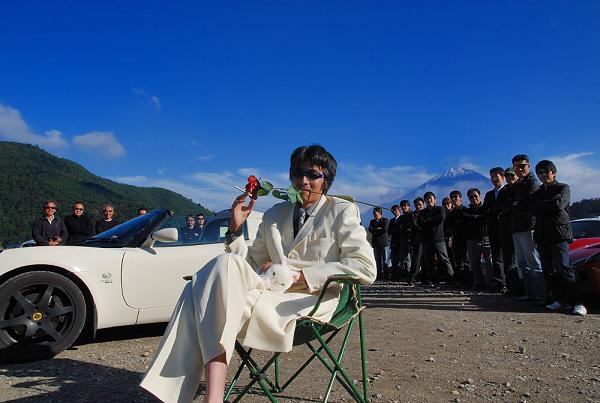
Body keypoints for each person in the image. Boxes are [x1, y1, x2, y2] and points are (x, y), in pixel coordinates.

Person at [140, 144, 376, 402]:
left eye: (312, 175)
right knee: (220, 269)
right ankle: (214, 397)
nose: (303, 181)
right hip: (267, 291)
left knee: (197, 293)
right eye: (298, 173)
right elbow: (250, 263)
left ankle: (189, 394)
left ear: (326, 181)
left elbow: (364, 266)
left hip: (311, 300)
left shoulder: (341, 210)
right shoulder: (275, 214)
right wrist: (234, 229)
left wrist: (301, 276)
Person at [531, 160, 587, 316]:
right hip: (542, 235)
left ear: (554, 173)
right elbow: (533, 209)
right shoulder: (537, 193)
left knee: (564, 267)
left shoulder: (563, 188)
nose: (543, 175)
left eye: (546, 172)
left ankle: (577, 302)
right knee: (548, 269)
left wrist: (543, 206)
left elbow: (559, 204)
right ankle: (559, 299)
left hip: (559, 233)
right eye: (539, 173)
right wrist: (548, 204)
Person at [508, 154, 546, 304]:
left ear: (528, 166)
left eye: (522, 166)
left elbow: (527, 203)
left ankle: (541, 294)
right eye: (516, 166)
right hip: (516, 227)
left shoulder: (532, 183)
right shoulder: (518, 184)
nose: (519, 169)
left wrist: (515, 204)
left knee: (534, 262)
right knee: (522, 263)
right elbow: (511, 204)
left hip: (528, 226)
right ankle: (529, 292)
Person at [418, 192, 454, 284]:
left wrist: (427, 221)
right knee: (429, 261)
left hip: (439, 239)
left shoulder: (440, 209)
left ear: (435, 199)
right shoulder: (422, 212)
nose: (429, 200)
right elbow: (420, 222)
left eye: (431, 198)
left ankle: (451, 278)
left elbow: (441, 218)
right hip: (427, 239)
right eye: (427, 199)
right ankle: (434, 280)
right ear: (425, 201)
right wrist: (432, 221)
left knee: (444, 259)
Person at [463, 188, 494, 289]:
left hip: (486, 238)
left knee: (489, 263)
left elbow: (486, 219)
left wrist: (474, 218)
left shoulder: (486, 208)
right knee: (474, 263)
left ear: (479, 196)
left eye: (475, 196)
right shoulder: (467, 210)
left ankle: (491, 282)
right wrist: (478, 218)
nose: (474, 198)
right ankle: (478, 282)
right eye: (471, 197)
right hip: (473, 239)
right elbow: (466, 221)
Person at [482, 167, 507, 292]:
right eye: (491, 177)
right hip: (493, 229)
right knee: (496, 257)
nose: (493, 179)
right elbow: (485, 210)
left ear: (503, 177)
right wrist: (496, 210)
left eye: (496, 176)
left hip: (506, 229)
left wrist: (494, 210)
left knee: (508, 257)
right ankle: (499, 282)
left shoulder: (508, 190)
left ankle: (511, 283)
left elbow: (506, 207)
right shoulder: (489, 194)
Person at [498, 167, 521, 295]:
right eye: (507, 176)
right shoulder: (504, 190)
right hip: (506, 229)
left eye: (512, 176)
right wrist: (511, 205)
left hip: (519, 228)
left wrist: (509, 206)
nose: (509, 179)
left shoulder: (520, 188)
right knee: (508, 260)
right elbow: (499, 207)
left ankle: (524, 288)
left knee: (521, 260)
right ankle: (512, 287)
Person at [446, 190, 470, 286]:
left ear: (460, 198)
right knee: (458, 262)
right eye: (452, 197)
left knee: (467, 261)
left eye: (455, 196)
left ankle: (468, 281)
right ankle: (460, 281)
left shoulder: (466, 210)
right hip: (455, 239)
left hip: (465, 239)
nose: (454, 199)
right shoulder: (451, 213)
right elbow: (448, 227)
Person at [368, 207, 389, 280]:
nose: (374, 214)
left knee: (385, 260)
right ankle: (378, 275)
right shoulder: (372, 221)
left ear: (380, 213)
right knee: (377, 260)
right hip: (375, 243)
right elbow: (370, 229)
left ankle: (386, 275)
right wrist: (378, 229)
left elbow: (385, 229)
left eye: (375, 213)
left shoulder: (385, 220)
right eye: (373, 213)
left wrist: (376, 230)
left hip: (383, 243)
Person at [387, 204, 403, 280]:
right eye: (393, 211)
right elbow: (389, 231)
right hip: (394, 242)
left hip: (401, 242)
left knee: (402, 260)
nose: (394, 212)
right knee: (394, 260)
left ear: (399, 210)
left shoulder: (403, 218)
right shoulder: (392, 220)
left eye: (395, 210)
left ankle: (402, 275)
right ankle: (394, 275)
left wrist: (396, 230)